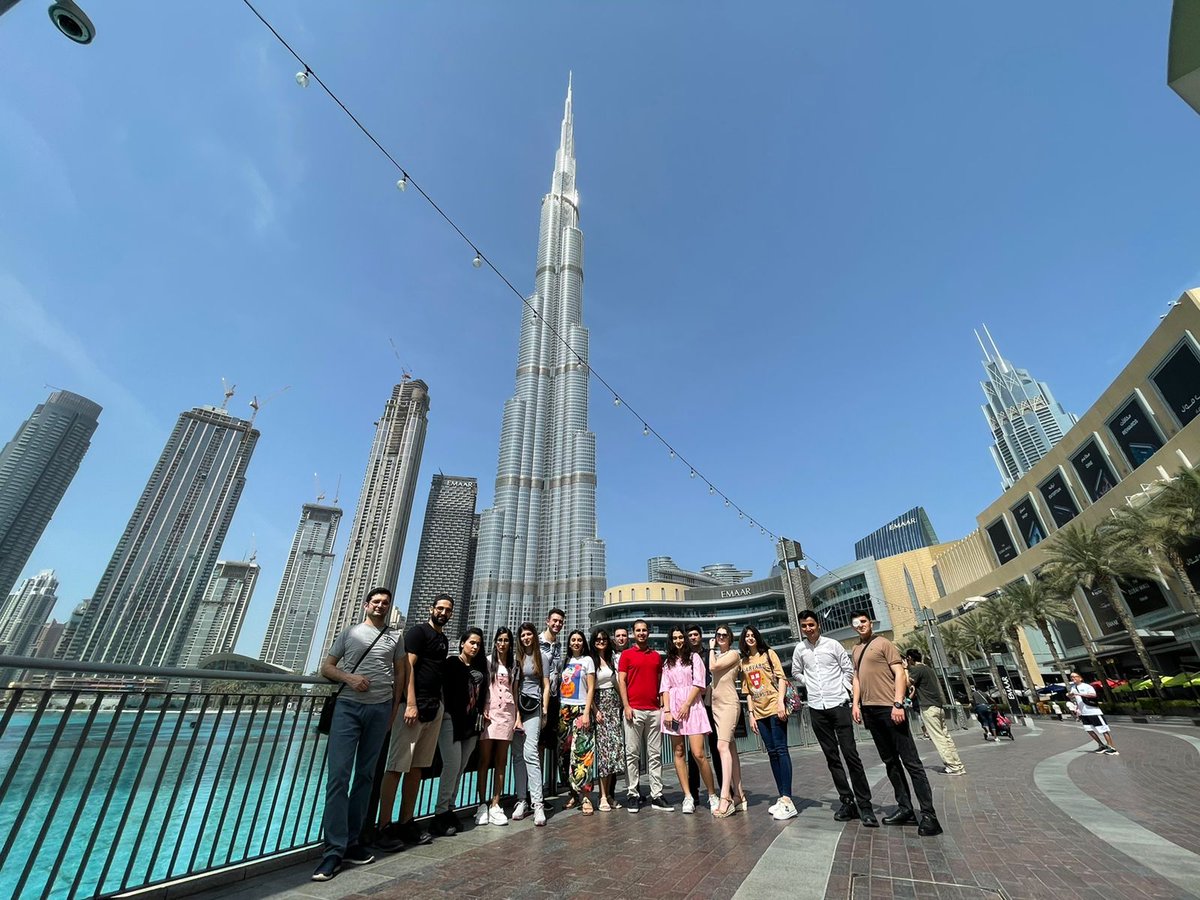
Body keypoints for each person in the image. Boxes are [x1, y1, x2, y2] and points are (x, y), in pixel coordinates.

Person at [313, 588, 406, 882]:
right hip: (348, 708)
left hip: (380, 710)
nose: (380, 606)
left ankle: (353, 842)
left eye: (385, 603)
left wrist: (393, 710)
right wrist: (349, 678)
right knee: (338, 777)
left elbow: (400, 674)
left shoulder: (396, 637)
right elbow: (327, 667)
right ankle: (333, 850)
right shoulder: (350, 633)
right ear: (366, 605)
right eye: (376, 602)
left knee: (365, 777)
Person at [850, 612, 942, 837]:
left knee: (911, 762)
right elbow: (857, 678)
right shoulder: (856, 649)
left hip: (889, 708)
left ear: (870, 623)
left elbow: (900, 673)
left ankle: (929, 815)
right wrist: (855, 704)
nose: (860, 625)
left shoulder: (884, 643)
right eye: (856, 623)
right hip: (870, 711)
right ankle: (905, 809)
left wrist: (898, 703)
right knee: (890, 762)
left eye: (863, 621)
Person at [378, 593, 452, 847]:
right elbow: (407, 667)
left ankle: (406, 821)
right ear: (431, 609)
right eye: (440, 608)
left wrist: (440, 705)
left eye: (448, 610)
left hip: (433, 708)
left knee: (417, 767)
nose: (443, 613)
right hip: (413, 709)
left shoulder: (443, 639)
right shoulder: (418, 633)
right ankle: (383, 826)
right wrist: (410, 703)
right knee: (396, 767)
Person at [791, 610, 876, 826]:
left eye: (811, 624)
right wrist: (809, 682)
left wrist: (843, 689)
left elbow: (848, 670)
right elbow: (796, 672)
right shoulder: (800, 649)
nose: (808, 629)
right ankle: (847, 802)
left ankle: (865, 805)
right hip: (816, 708)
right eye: (804, 626)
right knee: (832, 757)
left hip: (838, 704)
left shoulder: (833, 645)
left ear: (818, 625)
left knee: (850, 754)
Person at [432, 628, 486, 832]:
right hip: (451, 721)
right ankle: (440, 813)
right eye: (472, 642)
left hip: (472, 724)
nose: (475, 646)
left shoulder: (480, 667)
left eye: (478, 644)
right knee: (451, 765)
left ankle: (450, 809)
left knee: (461, 767)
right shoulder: (451, 663)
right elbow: (441, 689)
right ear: (462, 643)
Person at [739, 625, 795, 820]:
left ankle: (788, 798)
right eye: (747, 636)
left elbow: (781, 678)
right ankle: (782, 796)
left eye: (753, 635)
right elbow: (747, 691)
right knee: (771, 752)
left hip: (774, 707)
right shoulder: (744, 662)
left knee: (781, 750)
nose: (750, 638)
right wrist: (751, 714)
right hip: (759, 712)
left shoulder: (769, 654)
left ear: (758, 637)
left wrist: (780, 703)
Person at [662, 625, 717, 814]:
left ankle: (712, 794)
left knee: (698, 753)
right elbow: (665, 688)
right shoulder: (668, 663)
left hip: (692, 707)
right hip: (673, 710)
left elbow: (699, 683)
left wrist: (686, 704)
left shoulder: (694, 658)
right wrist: (667, 711)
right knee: (678, 752)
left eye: (680, 637)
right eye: (674, 638)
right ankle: (688, 796)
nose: (678, 641)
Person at [618, 619, 669, 812]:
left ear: (648, 632)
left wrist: (662, 706)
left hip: (654, 710)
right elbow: (622, 681)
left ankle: (657, 794)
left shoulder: (656, 656)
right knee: (632, 754)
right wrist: (626, 706)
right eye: (638, 630)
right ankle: (633, 793)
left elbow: (661, 683)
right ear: (633, 633)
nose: (641, 633)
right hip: (634, 710)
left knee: (655, 755)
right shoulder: (626, 655)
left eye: (644, 630)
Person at [474, 627, 517, 829]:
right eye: (499, 640)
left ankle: (495, 804)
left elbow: (515, 691)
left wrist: (518, 717)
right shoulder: (487, 661)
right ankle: (482, 804)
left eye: (506, 640)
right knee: (484, 760)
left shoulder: (513, 665)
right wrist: (481, 708)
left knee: (501, 762)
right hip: (489, 714)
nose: (502, 643)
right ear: (495, 642)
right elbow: (481, 687)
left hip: (507, 714)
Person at [510, 622, 550, 826]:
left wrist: (545, 710)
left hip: (534, 707)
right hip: (517, 709)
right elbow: (514, 687)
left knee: (531, 752)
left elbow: (546, 685)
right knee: (517, 755)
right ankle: (521, 800)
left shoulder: (541, 657)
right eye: (523, 635)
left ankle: (538, 803)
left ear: (534, 635)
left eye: (529, 634)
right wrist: (516, 714)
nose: (526, 638)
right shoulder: (516, 658)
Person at [904, 649, 965, 777]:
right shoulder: (928, 669)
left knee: (938, 738)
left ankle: (952, 767)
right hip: (938, 707)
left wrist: (904, 669)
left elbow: (907, 683)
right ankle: (958, 765)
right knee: (946, 737)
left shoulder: (917, 669)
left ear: (909, 658)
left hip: (928, 708)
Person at [708, 625, 745, 818]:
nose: (721, 637)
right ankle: (739, 795)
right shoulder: (718, 655)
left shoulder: (733, 654)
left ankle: (726, 797)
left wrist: (711, 649)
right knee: (730, 748)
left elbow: (713, 668)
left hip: (729, 704)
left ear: (730, 638)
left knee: (721, 746)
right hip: (716, 705)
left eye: (724, 635)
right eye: (718, 635)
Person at [559, 629, 597, 814]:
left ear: (583, 643)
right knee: (565, 754)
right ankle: (572, 793)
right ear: (569, 643)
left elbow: (591, 688)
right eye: (573, 640)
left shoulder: (588, 660)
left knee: (583, 754)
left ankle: (586, 797)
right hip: (564, 710)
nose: (576, 642)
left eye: (579, 640)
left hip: (581, 709)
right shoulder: (565, 661)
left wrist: (587, 712)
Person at [685, 625, 722, 806]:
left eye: (695, 634)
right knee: (694, 751)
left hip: (710, 704)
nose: (693, 637)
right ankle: (693, 791)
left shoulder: (709, 654)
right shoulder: (685, 657)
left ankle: (724, 788)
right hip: (693, 706)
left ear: (700, 636)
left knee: (716, 747)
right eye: (690, 635)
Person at [590, 628, 625, 810]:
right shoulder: (591, 660)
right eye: (598, 639)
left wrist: (625, 704)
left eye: (604, 639)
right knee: (604, 752)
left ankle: (609, 795)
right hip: (599, 704)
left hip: (613, 705)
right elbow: (589, 688)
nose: (601, 641)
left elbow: (616, 683)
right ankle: (602, 796)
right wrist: (595, 710)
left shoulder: (611, 659)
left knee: (613, 752)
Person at [539, 608, 566, 793]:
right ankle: (535, 792)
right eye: (554, 621)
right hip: (539, 699)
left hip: (555, 699)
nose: (557, 624)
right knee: (538, 746)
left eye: (560, 622)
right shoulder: (537, 642)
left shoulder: (558, 645)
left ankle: (547, 788)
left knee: (550, 743)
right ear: (547, 621)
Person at [1067, 672, 1119, 755]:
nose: (1073, 678)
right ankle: (1101, 745)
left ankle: (1111, 747)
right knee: (1089, 729)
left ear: (1080, 678)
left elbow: (1093, 695)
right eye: (1071, 677)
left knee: (1103, 729)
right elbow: (1074, 698)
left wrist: (1079, 693)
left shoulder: (1087, 686)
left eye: (1075, 676)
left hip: (1093, 711)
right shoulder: (1073, 687)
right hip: (1084, 713)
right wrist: (1070, 695)